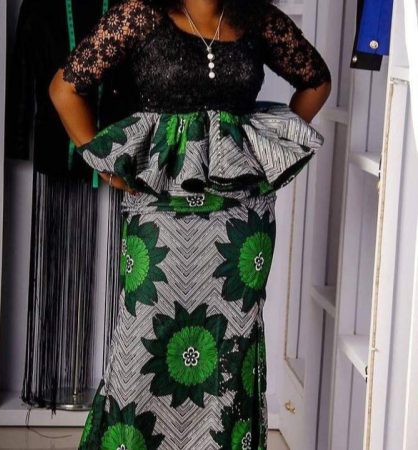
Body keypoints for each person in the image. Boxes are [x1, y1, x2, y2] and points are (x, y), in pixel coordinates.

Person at [49, 0, 331, 448]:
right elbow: (64, 89)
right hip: (159, 214)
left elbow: (316, 81)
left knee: (231, 347)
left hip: (240, 222)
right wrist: (104, 163)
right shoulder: (139, 15)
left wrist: (264, 147)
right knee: (142, 342)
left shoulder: (257, 18)